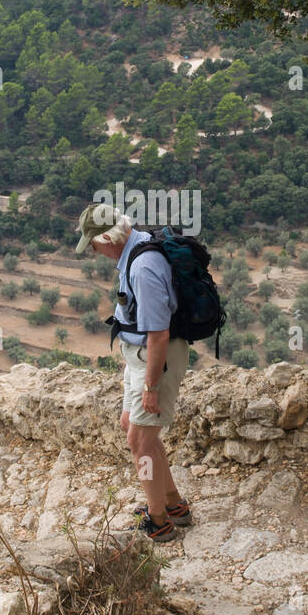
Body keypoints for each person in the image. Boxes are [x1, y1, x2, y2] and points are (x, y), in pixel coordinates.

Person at [75, 203, 191, 542]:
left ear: (109, 237)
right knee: (136, 429)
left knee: (140, 441)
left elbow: (158, 334)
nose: (94, 251)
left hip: (155, 360)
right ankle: (172, 504)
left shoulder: (142, 267)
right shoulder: (134, 248)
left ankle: (158, 522)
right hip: (139, 358)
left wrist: (151, 386)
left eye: (94, 244)